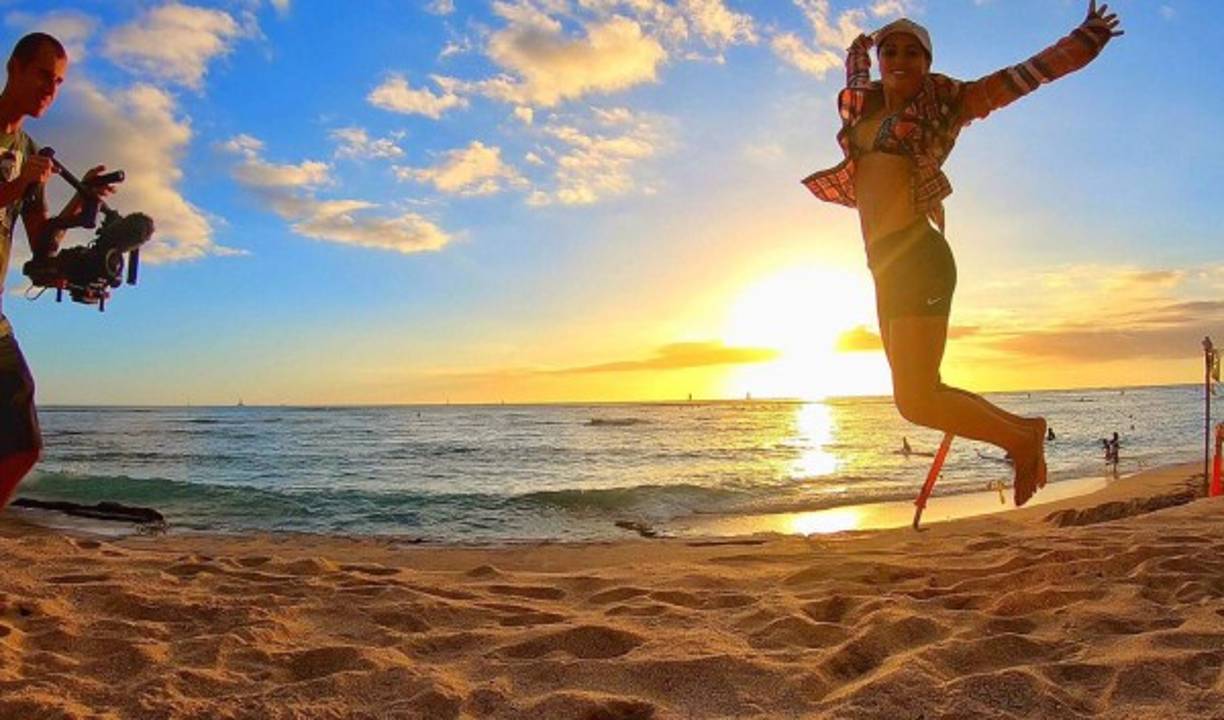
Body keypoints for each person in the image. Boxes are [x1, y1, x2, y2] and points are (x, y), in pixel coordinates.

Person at [802, 2, 1122, 507]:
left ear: (928, 62)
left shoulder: (949, 104)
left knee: (917, 400)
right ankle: (1025, 431)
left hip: (919, 259)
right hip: (884, 268)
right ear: (881, 60)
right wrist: (858, 53)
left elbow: (1022, 78)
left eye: (913, 52)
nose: (900, 60)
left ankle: (1021, 440)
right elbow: (857, 70)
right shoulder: (865, 107)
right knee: (919, 394)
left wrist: (1086, 39)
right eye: (891, 51)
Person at [0, 33, 117, 510]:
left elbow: (42, 244)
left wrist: (80, 201)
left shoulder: (28, 150)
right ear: (14, 68)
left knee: (23, 445)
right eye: (43, 75)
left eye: (59, 82)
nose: (51, 88)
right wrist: (18, 185)